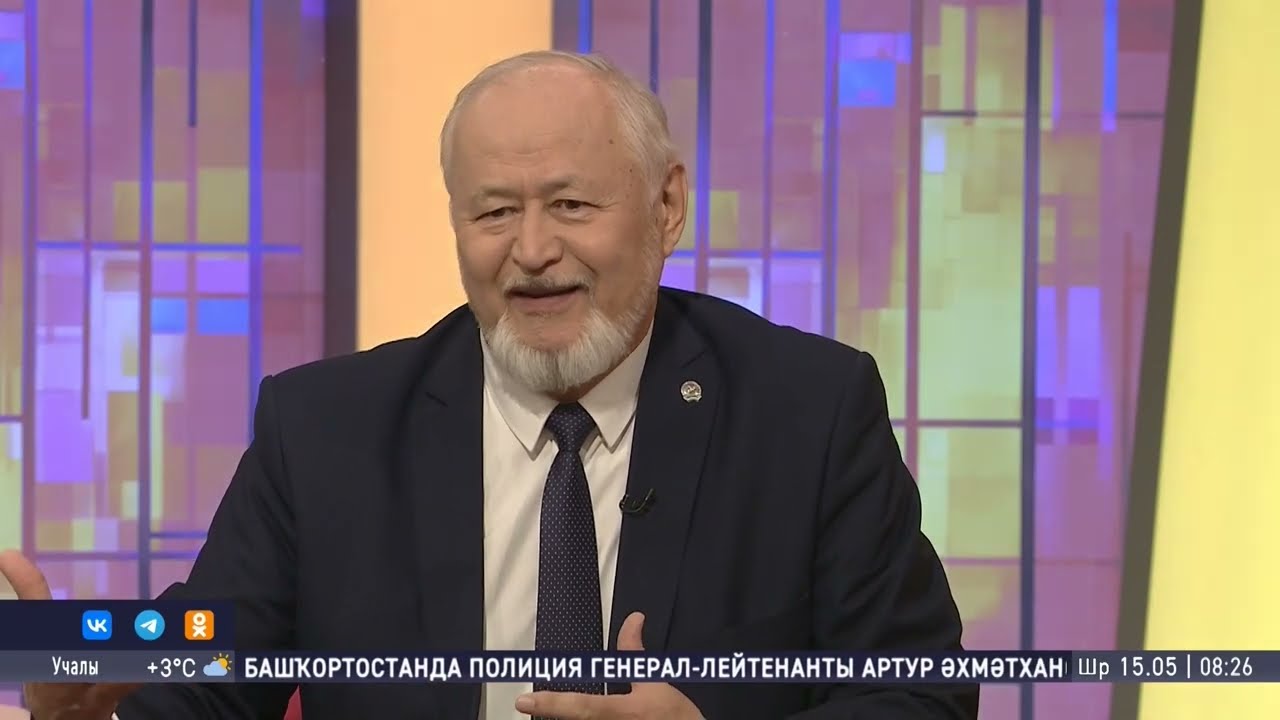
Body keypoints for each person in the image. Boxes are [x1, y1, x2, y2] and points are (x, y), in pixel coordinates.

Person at [0, 50, 977, 719]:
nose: (532, 250)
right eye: (494, 212)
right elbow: (207, 676)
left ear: (667, 205)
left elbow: (921, 693)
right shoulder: (325, 431)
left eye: (571, 204)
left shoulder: (808, 412)